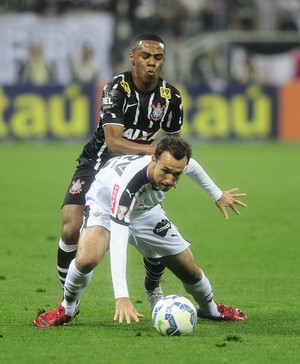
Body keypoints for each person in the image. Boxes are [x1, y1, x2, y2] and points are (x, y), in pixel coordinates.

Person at [57, 33, 238, 311]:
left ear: (163, 61)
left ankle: (153, 284)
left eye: (158, 57)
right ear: (133, 58)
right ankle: (68, 297)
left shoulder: (171, 97)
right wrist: (153, 151)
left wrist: (212, 191)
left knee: (148, 222)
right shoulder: (117, 89)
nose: (151, 63)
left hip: (141, 168)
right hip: (99, 162)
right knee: (70, 228)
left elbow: (176, 148)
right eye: (145, 56)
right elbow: (114, 143)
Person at [33, 137, 248, 327]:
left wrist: (217, 194)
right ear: (153, 159)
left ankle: (210, 309)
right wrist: (122, 296)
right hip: (106, 205)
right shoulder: (128, 185)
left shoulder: (174, 163)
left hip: (146, 211)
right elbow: (119, 241)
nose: (169, 180)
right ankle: (68, 307)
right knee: (88, 257)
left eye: (176, 175)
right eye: (165, 171)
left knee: (190, 270)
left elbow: (194, 167)